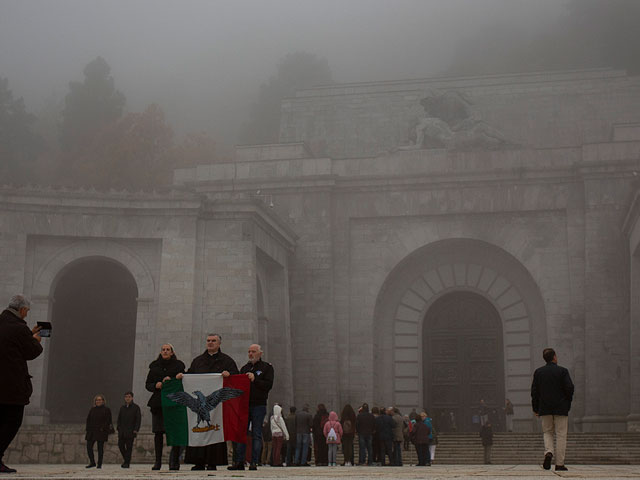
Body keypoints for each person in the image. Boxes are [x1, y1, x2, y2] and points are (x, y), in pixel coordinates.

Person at [181, 333, 238, 471]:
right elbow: (190, 375)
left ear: (219, 344)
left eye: (213, 341)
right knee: (199, 430)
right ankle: (198, 462)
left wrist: (228, 375)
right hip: (200, 406)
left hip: (218, 407)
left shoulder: (227, 361)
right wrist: (182, 376)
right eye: (208, 341)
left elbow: (236, 376)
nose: (210, 343)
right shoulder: (198, 361)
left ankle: (213, 462)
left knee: (215, 430)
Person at [0, 295, 42, 474]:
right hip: (11, 386)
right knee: (12, 421)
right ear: (22, 309)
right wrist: (35, 340)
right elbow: (31, 351)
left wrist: (28, 336)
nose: (26, 315)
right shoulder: (19, 328)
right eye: (27, 311)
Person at [229, 343, 273, 471]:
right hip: (244, 405)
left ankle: (254, 461)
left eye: (253, 351)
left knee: (256, 433)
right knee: (240, 434)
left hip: (258, 405)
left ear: (260, 353)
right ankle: (239, 462)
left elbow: (268, 385)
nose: (250, 354)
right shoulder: (244, 368)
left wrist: (255, 380)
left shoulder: (266, 368)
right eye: (249, 351)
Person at [531, 347, 574, 472]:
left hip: (545, 408)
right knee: (561, 435)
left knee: (547, 432)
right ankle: (560, 464)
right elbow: (570, 388)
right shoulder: (563, 371)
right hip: (561, 408)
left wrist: (536, 408)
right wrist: (567, 402)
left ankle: (549, 452)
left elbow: (534, 392)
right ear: (554, 357)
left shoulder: (538, 372)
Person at [145, 343, 186, 470]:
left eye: (168, 350)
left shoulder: (179, 366)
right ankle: (157, 462)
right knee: (158, 433)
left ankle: (174, 461)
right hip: (158, 404)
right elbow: (148, 384)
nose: (165, 351)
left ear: (172, 352)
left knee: (175, 433)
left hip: (174, 404)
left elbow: (184, 382)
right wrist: (156, 385)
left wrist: (176, 378)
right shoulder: (154, 367)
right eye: (163, 349)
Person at [85, 394, 113, 469]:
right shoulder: (92, 409)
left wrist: (103, 428)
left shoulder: (106, 409)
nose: (98, 401)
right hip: (92, 431)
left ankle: (99, 464)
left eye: (100, 400)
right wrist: (88, 429)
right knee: (89, 447)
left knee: (100, 448)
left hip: (101, 431)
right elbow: (88, 419)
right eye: (97, 400)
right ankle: (92, 462)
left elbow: (108, 420)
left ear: (103, 401)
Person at [116, 391, 141, 468]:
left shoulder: (136, 407)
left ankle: (127, 463)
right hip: (122, 431)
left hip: (131, 431)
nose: (127, 398)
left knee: (129, 447)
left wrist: (136, 429)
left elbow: (138, 419)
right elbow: (119, 419)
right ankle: (126, 460)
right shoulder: (122, 408)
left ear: (132, 398)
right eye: (126, 397)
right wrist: (119, 428)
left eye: (129, 397)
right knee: (121, 445)